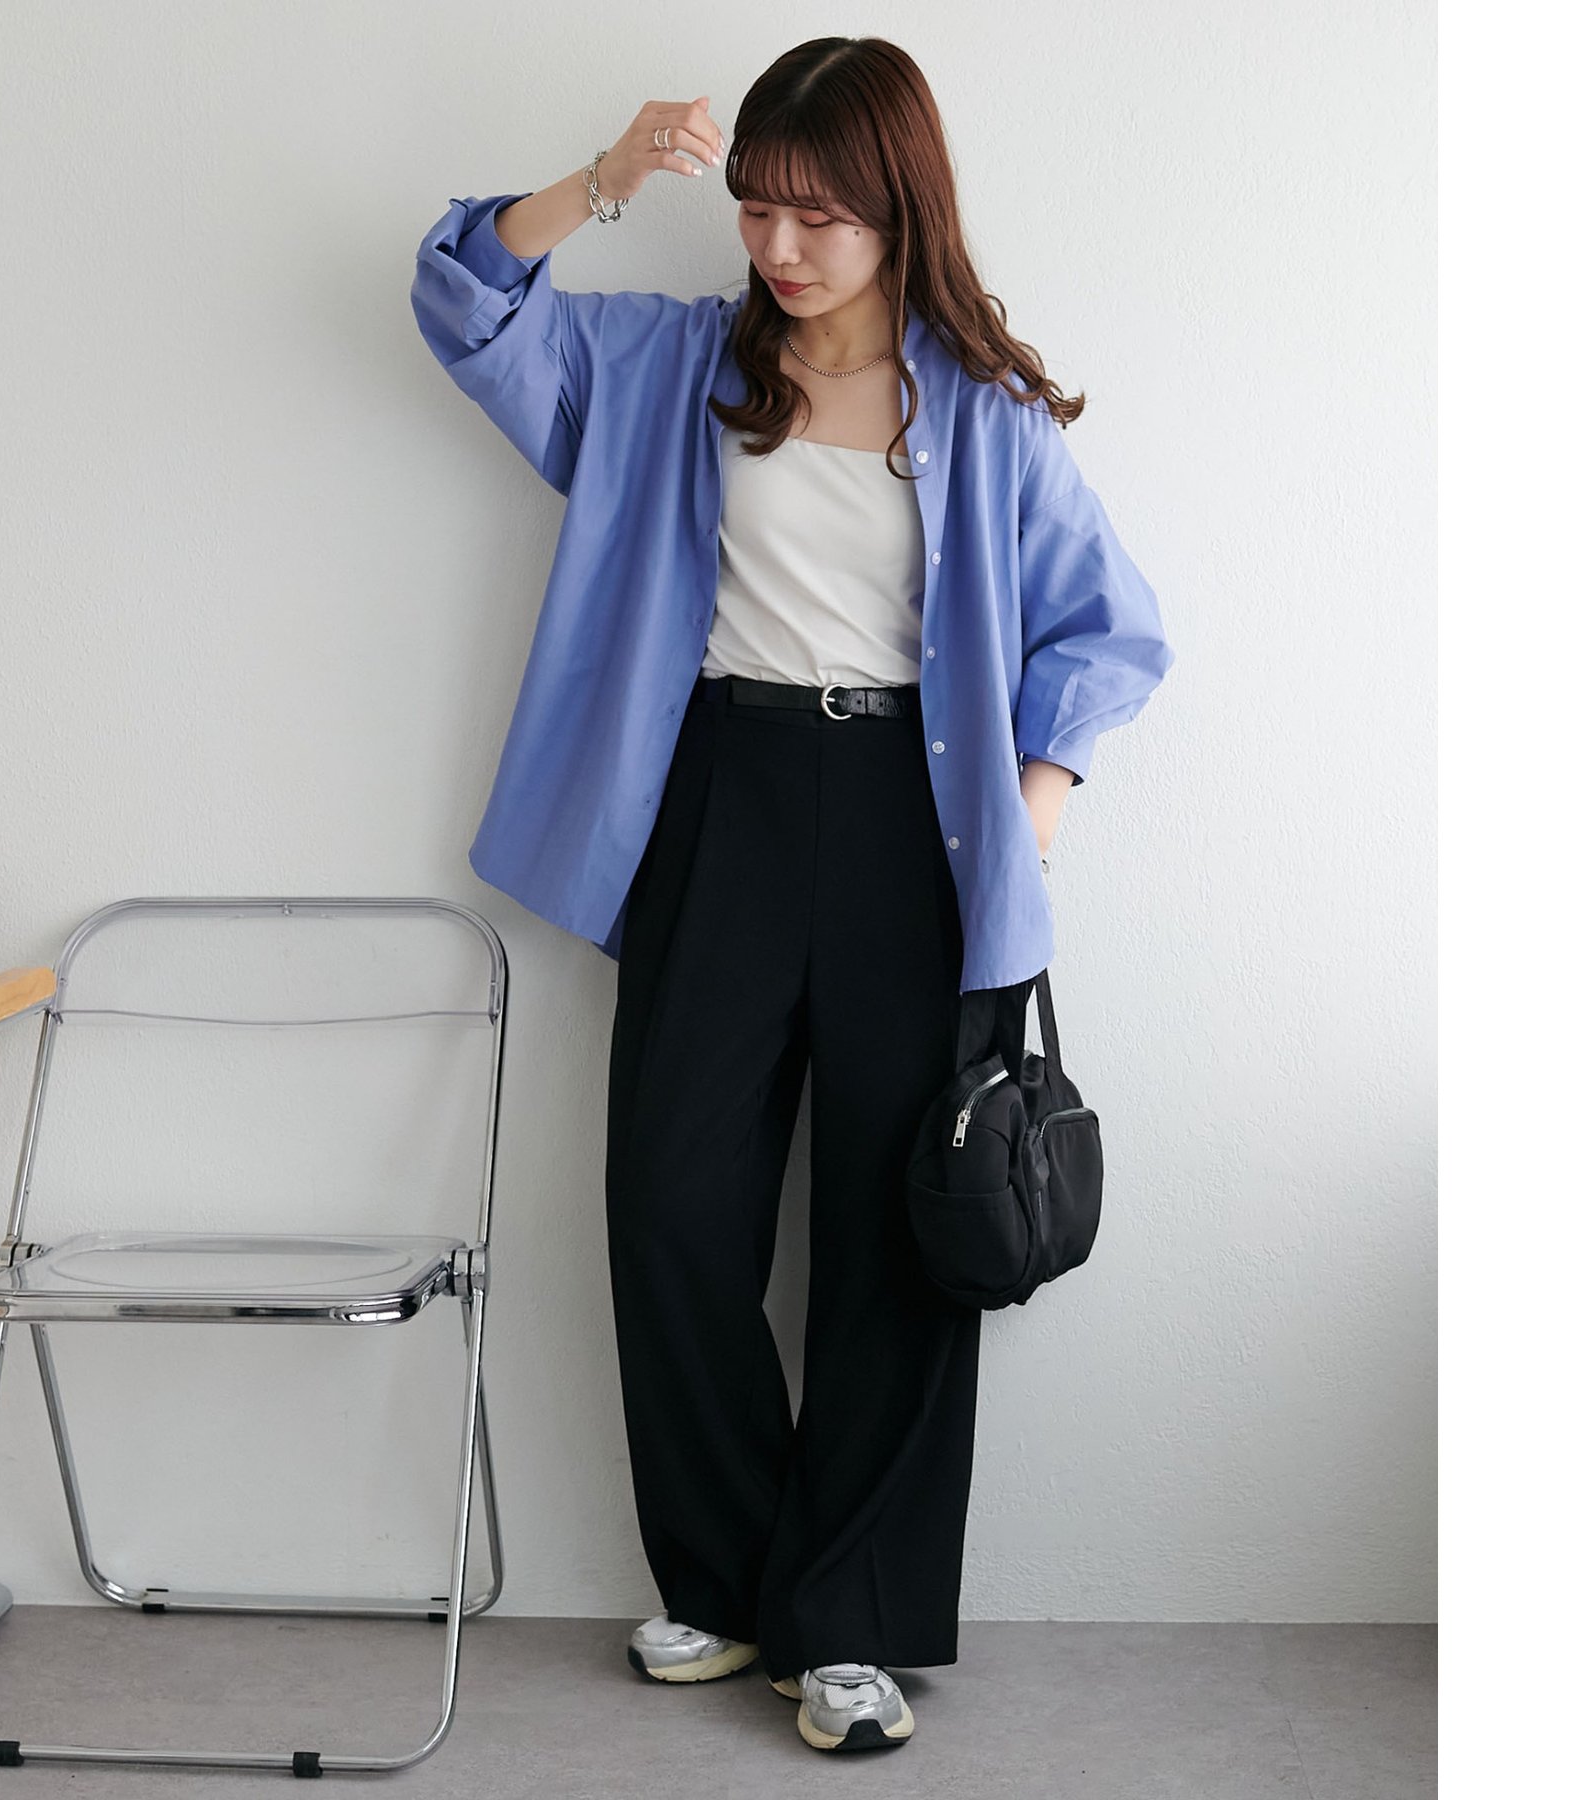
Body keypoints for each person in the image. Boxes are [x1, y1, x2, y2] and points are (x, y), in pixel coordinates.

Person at [410, 35, 1174, 1756]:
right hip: (720, 799)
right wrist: (608, 179)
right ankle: (732, 1578)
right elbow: (466, 301)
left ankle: (851, 1624)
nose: (777, 246)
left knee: (895, 1236)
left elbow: (1111, 632)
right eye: (758, 206)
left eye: (819, 216)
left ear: (901, 213)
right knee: (673, 1205)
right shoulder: (666, 368)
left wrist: (1035, 810)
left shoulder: (983, 418)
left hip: (920, 827)